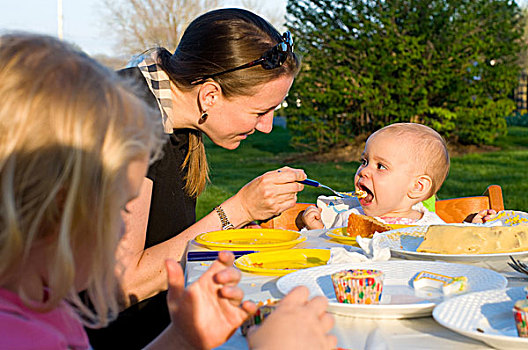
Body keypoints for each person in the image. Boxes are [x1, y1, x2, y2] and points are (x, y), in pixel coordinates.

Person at [0, 33, 336, 350]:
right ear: (56, 207)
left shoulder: (47, 309)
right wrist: (239, 211)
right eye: (119, 208)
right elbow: (122, 282)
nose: (121, 229)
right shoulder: (19, 335)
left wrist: (183, 337)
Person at [88, 8, 309, 348]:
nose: (266, 126)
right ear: (209, 95)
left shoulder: (175, 116)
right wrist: (238, 211)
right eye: (261, 111)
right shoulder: (127, 122)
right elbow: (121, 286)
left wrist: (230, 235)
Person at [302, 123, 450, 229]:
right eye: (365, 161)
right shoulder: (349, 218)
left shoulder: (433, 228)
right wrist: (318, 230)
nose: (363, 171)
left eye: (381, 166)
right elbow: (332, 252)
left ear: (418, 187)